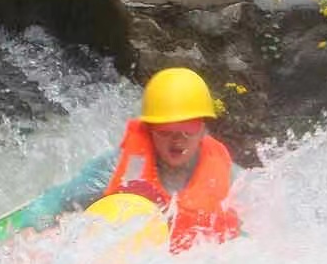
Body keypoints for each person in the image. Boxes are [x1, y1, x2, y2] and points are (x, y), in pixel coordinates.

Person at [26, 67, 242, 253]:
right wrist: (30, 231)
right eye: (165, 129)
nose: (177, 139)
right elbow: (58, 200)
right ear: (149, 129)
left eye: (188, 128)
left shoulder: (225, 173)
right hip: (127, 261)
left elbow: (239, 233)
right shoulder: (116, 166)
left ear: (203, 127)